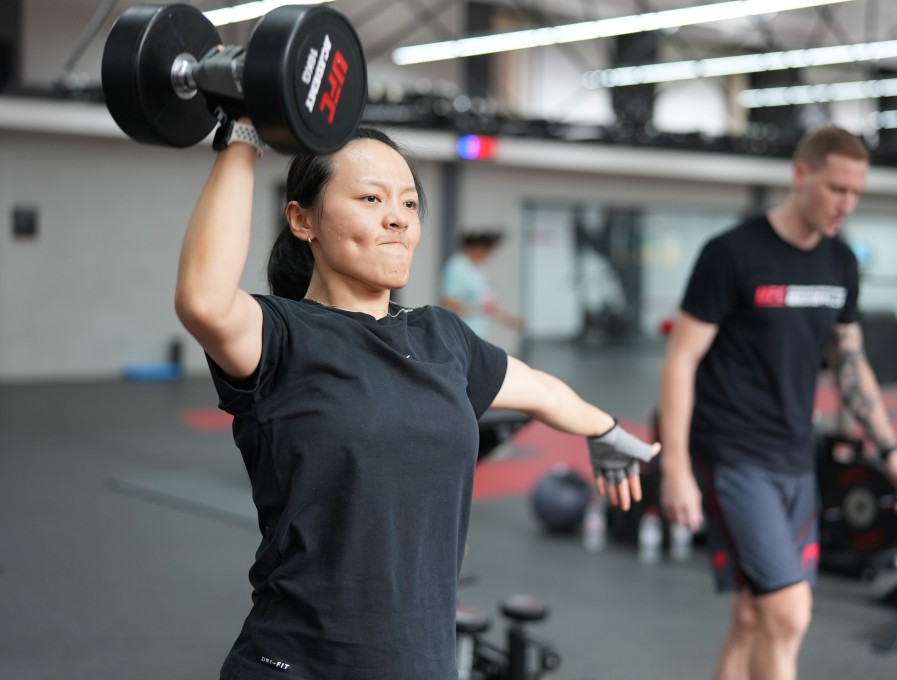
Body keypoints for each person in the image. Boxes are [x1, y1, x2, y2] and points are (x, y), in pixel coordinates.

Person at [174, 121, 658, 680]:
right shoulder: (281, 334)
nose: (399, 217)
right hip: (301, 662)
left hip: (422, 663)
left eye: (409, 202)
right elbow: (204, 300)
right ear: (302, 219)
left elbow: (541, 390)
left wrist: (605, 431)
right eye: (370, 198)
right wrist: (245, 132)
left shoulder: (441, 337)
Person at [657, 126, 897, 680]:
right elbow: (681, 359)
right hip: (733, 454)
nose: (846, 205)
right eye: (836, 189)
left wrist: (892, 451)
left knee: (754, 617)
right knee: (789, 615)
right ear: (801, 175)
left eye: (856, 193)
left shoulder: (840, 263)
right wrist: (676, 467)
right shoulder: (731, 254)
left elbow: (851, 362)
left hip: (794, 458)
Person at [440, 230, 523, 340]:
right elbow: (448, 302)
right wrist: (476, 309)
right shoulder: (457, 266)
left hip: (478, 332)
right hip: (461, 333)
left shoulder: (478, 268)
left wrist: (509, 320)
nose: (487, 254)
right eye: (485, 250)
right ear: (475, 247)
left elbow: (488, 304)